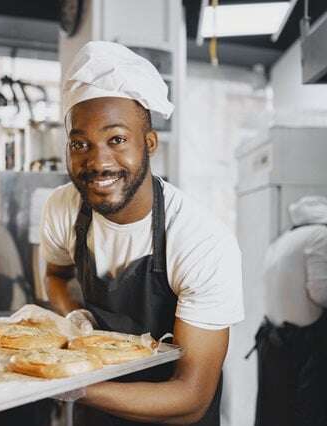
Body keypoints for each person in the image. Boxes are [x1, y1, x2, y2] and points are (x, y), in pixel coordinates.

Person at [40, 41, 244, 425]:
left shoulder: (201, 241)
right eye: (80, 144)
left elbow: (191, 398)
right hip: (96, 414)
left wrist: (71, 384)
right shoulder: (62, 209)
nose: (98, 162)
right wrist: (75, 324)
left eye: (117, 139)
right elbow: (55, 275)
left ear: (149, 143)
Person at [252, 196, 327, 426]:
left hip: (274, 342)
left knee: (276, 413)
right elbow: (321, 293)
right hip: (303, 346)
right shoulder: (320, 236)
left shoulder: (283, 239)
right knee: (306, 414)